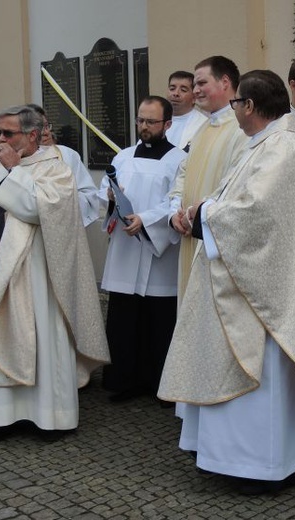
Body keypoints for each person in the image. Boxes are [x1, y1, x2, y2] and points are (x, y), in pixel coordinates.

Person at [158, 69, 295, 495]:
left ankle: (260, 463)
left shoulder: (283, 147)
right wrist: (204, 207)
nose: (235, 109)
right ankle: (238, 456)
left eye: (237, 102)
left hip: (267, 292)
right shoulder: (264, 144)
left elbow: (257, 214)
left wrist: (202, 216)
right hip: (250, 280)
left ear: (250, 107)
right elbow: (236, 198)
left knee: (264, 378)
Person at [0, 104, 110, 442]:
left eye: (7, 133)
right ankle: (0, 418)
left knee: (43, 341)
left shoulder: (55, 169)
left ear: (33, 135)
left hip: (38, 276)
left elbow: (39, 210)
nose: (0, 140)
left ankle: (49, 418)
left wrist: (15, 170)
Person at [99, 96, 187, 404]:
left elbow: (177, 201)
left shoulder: (179, 160)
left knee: (159, 319)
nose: (144, 127)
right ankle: (124, 380)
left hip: (157, 249)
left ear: (167, 124)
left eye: (151, 121)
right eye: (140, 120)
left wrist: (146, 220)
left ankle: (160, 383)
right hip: (125, 250)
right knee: (124, 317)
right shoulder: (123, 156)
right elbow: (104, 191)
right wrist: (112, 198)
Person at [168, 56, 249, 305]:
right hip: (191, 236)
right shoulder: (202, 129)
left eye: (201, 83)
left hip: (216, 243)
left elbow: (236, 183)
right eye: (195, 85)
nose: (195, 91)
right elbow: (184, 173)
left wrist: (199, 214)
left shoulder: (242, 128)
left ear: (225, 82)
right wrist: (174, 212)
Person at [27, 104, 100, 228]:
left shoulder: (67, 155)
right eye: (38, 127)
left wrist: (61, 204)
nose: (45, 132)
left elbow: (89, 195)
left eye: (46, 126)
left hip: (65, 228)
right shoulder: (15, 160)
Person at [165, 70, 207, 151]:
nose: (176, 93)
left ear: (194, 98)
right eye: (172, 88)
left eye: (183, 90)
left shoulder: (203, 125)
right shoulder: (157, 121)